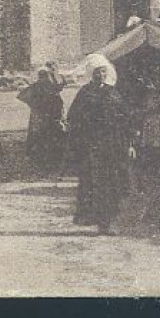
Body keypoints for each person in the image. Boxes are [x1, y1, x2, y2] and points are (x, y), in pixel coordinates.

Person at [66, 54, 135, 234]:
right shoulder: (86, 93)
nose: (101, 75)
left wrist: (130, 143)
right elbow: (73, 117)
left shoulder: (113, 92)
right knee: (96, 184)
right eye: (98, 72)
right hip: (93, 146)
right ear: (92, 74)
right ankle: (101, 222)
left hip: (114, 144)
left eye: (104, 71)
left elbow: (125, 118)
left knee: (114, 183)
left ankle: (110, 220)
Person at [17, 68, 66, 173]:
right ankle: (42, 163)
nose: (46, 79)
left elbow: (60, 91)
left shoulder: (54, 89)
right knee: (41, 138)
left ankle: (52, 162)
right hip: (41, 117)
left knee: (54, 137)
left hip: (53, 117)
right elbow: (23, 96)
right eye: (43, 77)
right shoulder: (37, 88)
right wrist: (35, 106)